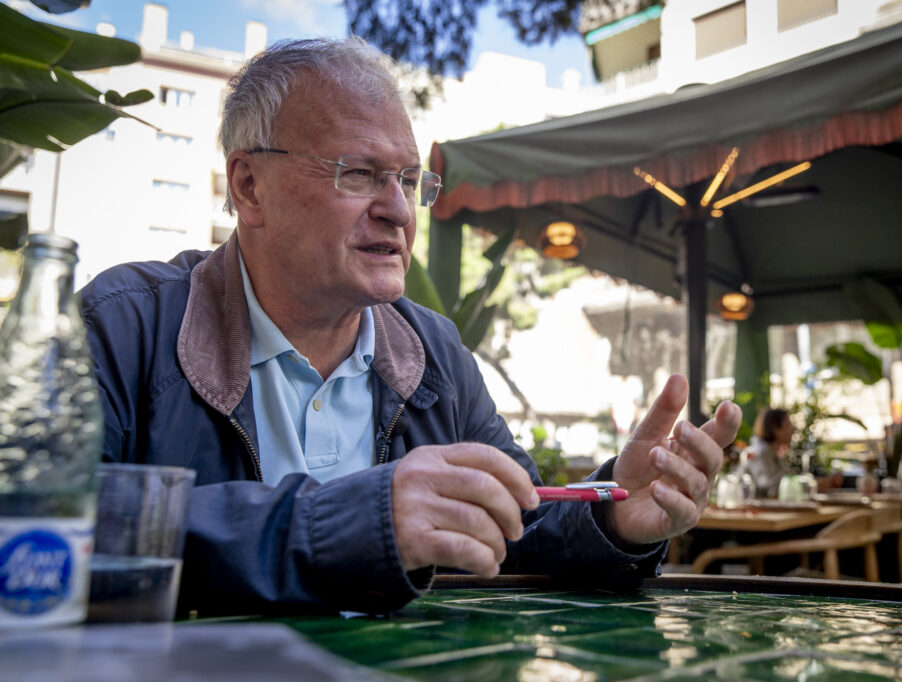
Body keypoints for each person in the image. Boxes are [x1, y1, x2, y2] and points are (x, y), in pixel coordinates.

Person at [79, 37, 740, 617]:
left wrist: (613, 517)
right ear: (250, 187)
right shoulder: (124, 326)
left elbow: (514, 529)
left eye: (409, 179)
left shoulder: (434, 351)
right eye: (360, 174)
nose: (399, 211)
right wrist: (347, 526)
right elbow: (41, 525)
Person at [741, 408, 793, 497]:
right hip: (751, 509)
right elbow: (768, 489)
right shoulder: (759, 453)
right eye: (788, 425)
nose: (793, 430)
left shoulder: (773, 453)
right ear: (775, 429)